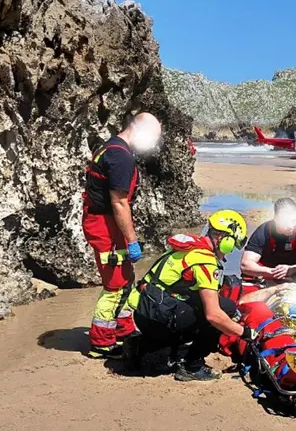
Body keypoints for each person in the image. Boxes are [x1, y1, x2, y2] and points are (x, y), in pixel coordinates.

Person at [126, 210, 250, 381]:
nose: (229, 253)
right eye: (232, 245)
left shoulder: (192, 248)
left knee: (218, 306)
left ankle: (163, 347)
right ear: (224, 239)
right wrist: (243, 332)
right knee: (224, 310)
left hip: (145, 311)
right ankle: (192, 366)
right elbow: (214, 315)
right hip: (156, 318)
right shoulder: (205, 262)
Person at [82, 113, 162, 359]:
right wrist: (132, 240)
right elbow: (119, 202)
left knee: (126, 280)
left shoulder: (110, 148)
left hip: (105, 222)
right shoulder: (120, 157)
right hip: (106, 226)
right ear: (138, 130)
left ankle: (124, 330)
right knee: (115, 286)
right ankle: (102, 343)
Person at [240, 198, 296, 284]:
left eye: (293, 221)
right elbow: (245, 265)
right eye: (285, 222)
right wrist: (273, 272)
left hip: (293, 273)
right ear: (276, 218)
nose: (290, 226)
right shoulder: (263, 232)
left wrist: (291, 269)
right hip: (268, 273)